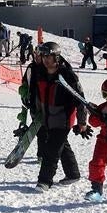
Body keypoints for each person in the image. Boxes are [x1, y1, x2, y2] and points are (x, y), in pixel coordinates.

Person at [31, 41, 88, 192]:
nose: (45, 59)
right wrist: (36, 113)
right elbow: (37, 96)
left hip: (63, 119)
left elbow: (80, 99)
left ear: (56, 57)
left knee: (51, 149)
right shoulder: (41, 73)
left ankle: (44, 181)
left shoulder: (67, 76)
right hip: (47, 117)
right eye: (43, 56)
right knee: (62, 146)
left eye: (49, 56)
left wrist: (82, 122)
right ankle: (73, 174)